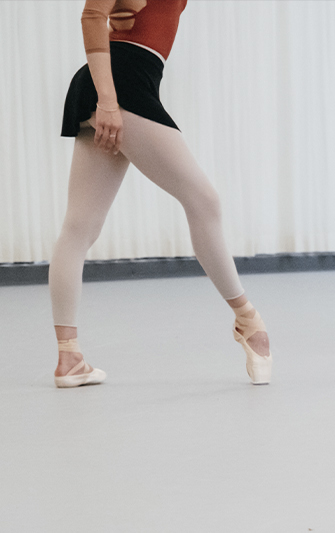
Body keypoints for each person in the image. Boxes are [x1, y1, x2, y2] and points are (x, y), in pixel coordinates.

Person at [51, 0, 275, 388]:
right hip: (121, 85)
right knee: (203, 201)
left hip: (124, 82)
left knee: (80, 226)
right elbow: (92, 15)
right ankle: (248, 320)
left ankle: (69, 357)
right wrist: (107, 101)